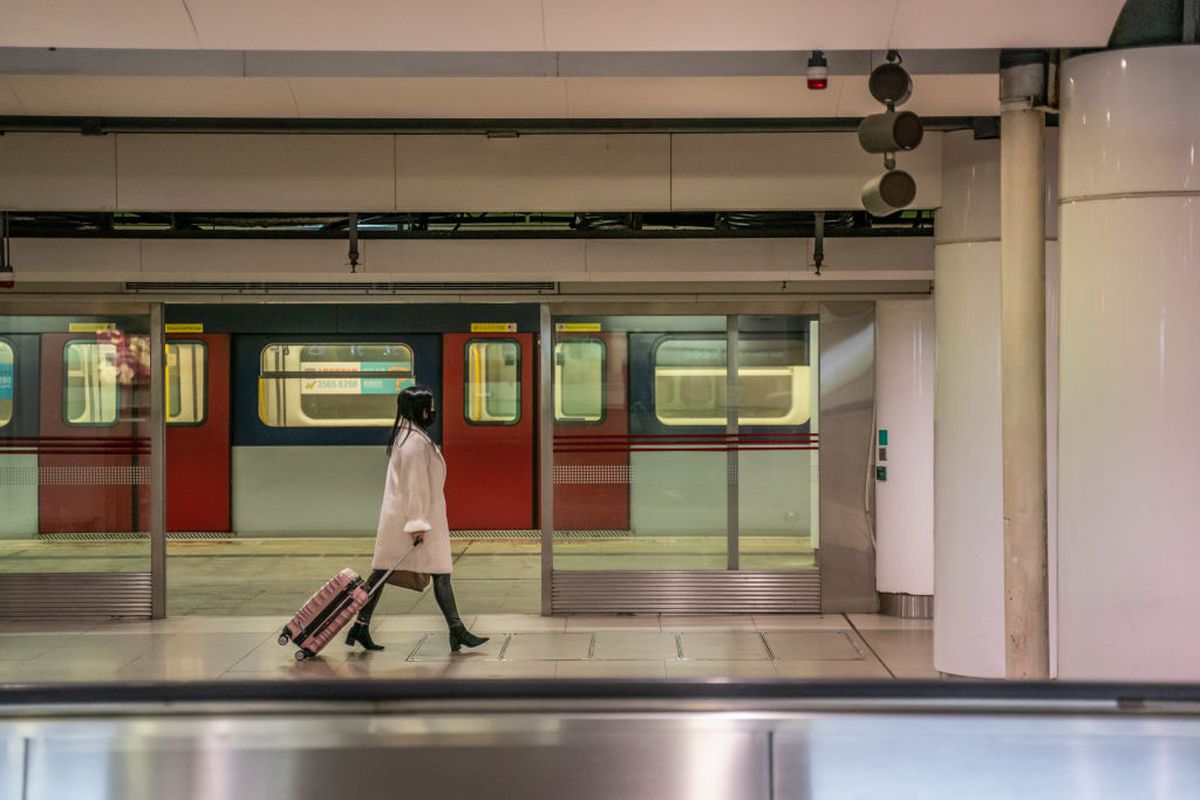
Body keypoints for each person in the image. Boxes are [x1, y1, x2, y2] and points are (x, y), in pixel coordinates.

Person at [346, 385, 489, 653]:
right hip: (415, 522)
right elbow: (415, 487)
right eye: (429, 405)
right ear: (418, 409)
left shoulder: (411, 436)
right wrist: (417, 525)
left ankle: (361, 626)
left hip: (411, 519)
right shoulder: (413, 443)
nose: (433, 410)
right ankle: (456, 631)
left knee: (385, 574)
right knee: (436, 574)